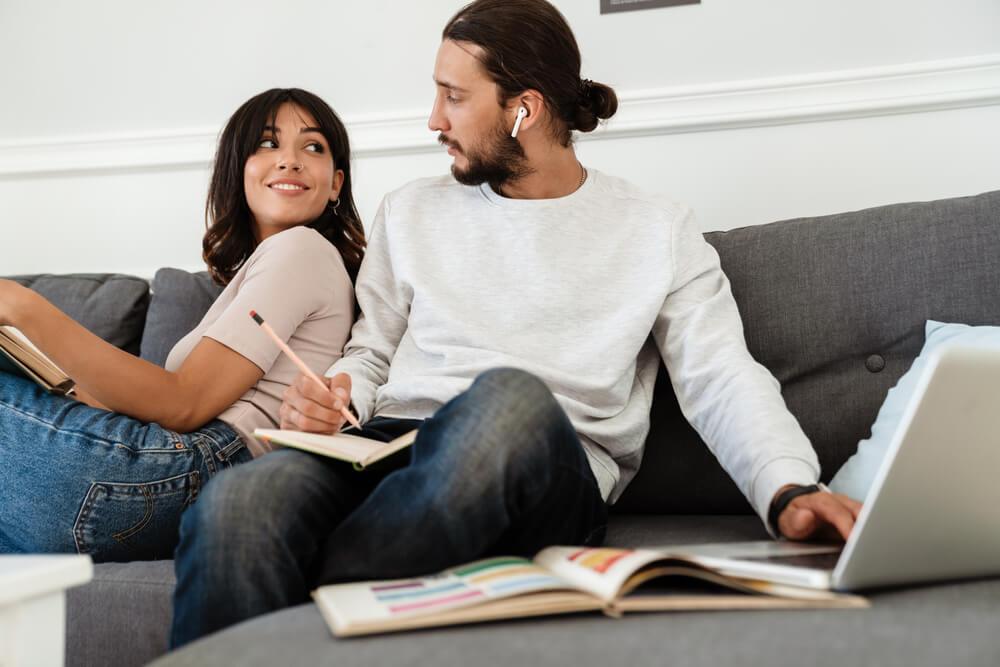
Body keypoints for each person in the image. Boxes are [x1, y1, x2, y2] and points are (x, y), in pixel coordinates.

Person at [169, 0, 862, 647]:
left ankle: (310, 602)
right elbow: (371, 353)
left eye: (454, 95)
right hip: (386, 453)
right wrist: (333, 396)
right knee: (238, 505)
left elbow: (721, 374)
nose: (433, 120)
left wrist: (789, 487)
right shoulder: (411, 211)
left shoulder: (655, 227)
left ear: (523, 110)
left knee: (506, 399)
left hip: (544, 468)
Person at [0, 88, 364, 562]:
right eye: (269, 143)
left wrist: (21, 305)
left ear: (335, 183)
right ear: (239, 168)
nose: (290, 161)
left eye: (312, 147)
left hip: (196, 471)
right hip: (172, 472)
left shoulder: (303, 249)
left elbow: (184, 403)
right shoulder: (264, 269)